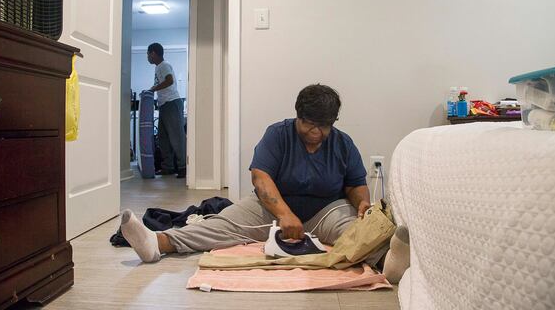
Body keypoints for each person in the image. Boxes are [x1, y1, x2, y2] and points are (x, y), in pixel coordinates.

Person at [120, 84, 372, 263]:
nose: (316, 132)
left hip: (326, 211)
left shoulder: (343, 143)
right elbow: (260, 178)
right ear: (298, 116)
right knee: (222, 224)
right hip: (271, 210)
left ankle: (388, 260)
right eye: (309, 124)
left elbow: (355, 184)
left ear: (333, 122)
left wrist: (362, 204)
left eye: (324, 126)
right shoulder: (277, 134)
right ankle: (157, 243)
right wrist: (285, 214)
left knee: (362, 233)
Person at [147, 42, 186, 178]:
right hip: (164, 104)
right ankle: (168, 167)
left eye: (148, 54)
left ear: (153, 53)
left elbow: (169, 81)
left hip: (171, 103)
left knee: (176, 137)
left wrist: (153, 89)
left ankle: (183, 167)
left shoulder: (164, 65)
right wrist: (152, 89)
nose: (147, 57)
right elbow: (162, 83)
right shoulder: (158, 68)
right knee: (163, 138)